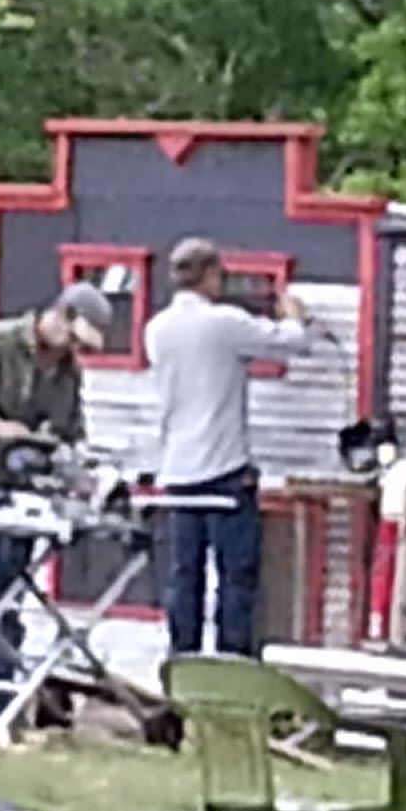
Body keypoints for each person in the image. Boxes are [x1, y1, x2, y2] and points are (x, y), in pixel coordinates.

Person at [0, 281, 113, 725]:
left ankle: (1, 701)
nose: (72, 350)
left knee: (9, 596)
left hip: (20, 489)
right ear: (60, 317)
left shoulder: (67, 373)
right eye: (72, 338)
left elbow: (69, 430)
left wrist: (77, 472)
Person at [146, 236, 316, 656]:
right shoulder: (224, 322)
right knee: (236, 576)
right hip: (223, 469)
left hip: (177, 470)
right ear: (211, 276)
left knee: (184, 577)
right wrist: (294, 316)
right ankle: (230, 661)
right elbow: (292, 343)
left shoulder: (157, 328)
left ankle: (182, 659)